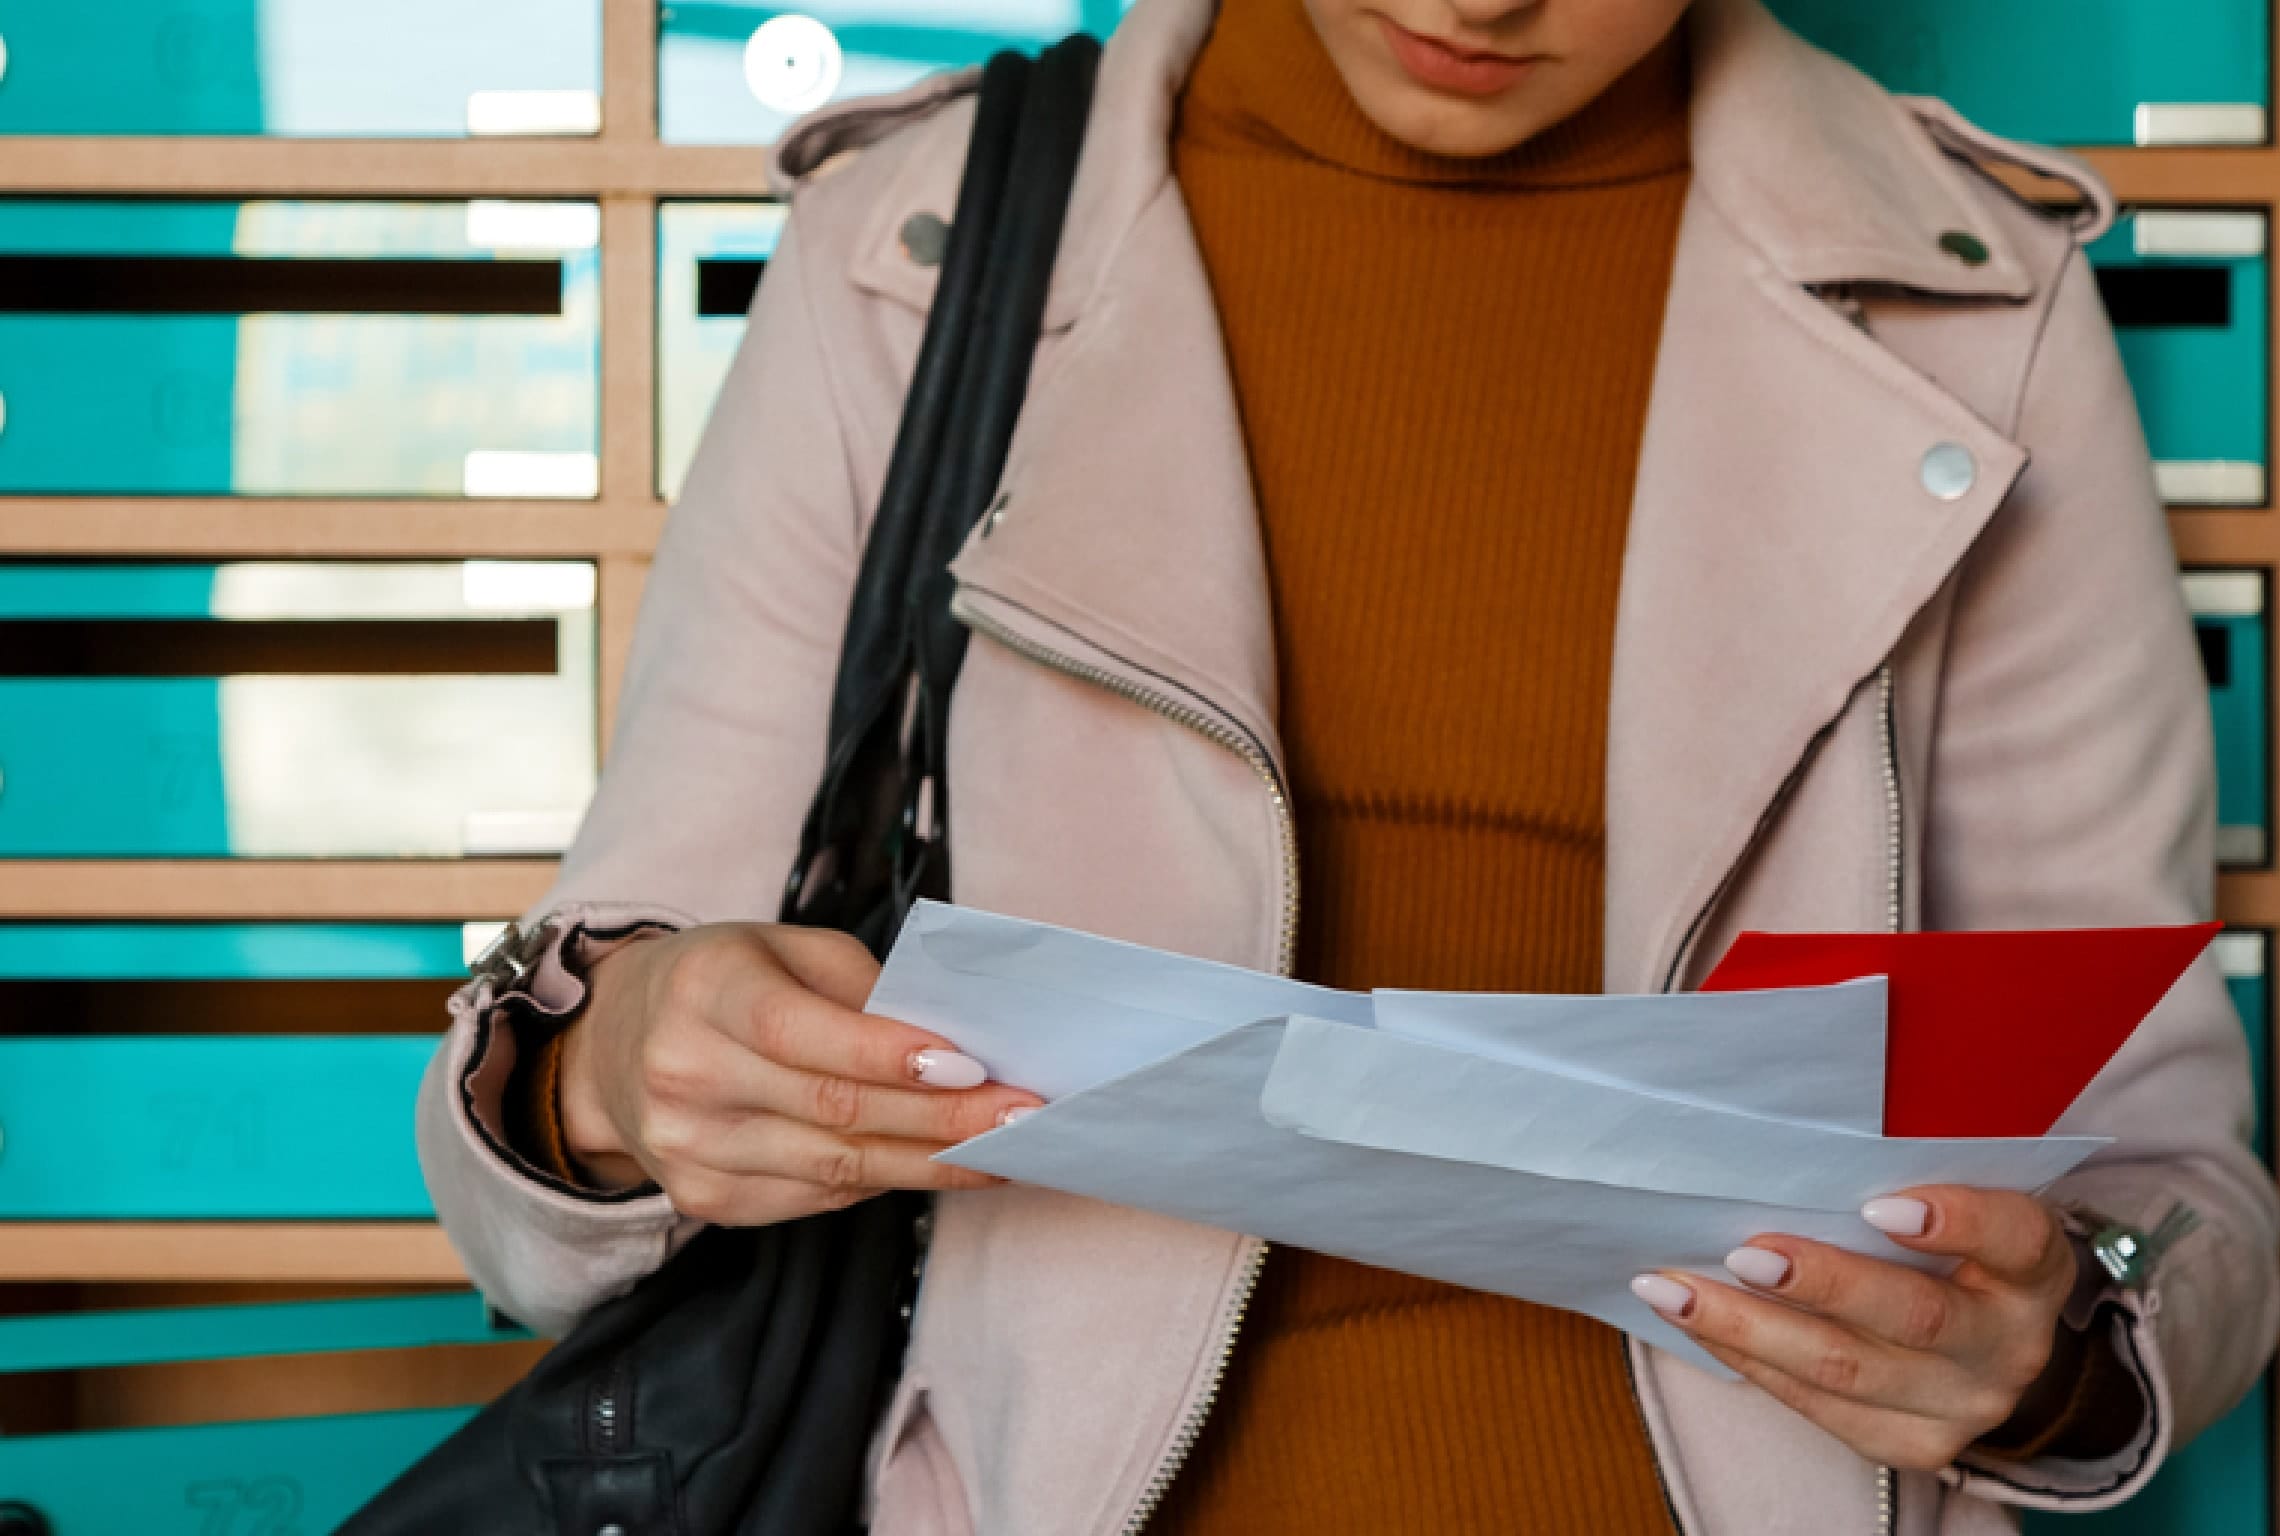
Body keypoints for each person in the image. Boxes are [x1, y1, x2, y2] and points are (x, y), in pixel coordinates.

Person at [415, 0, 2280, 1530]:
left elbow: (2159, 1157)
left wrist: (2059, 1346)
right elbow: (556, 1096)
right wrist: (619, 1065)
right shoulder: (918, 249)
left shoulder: (1979, 289)